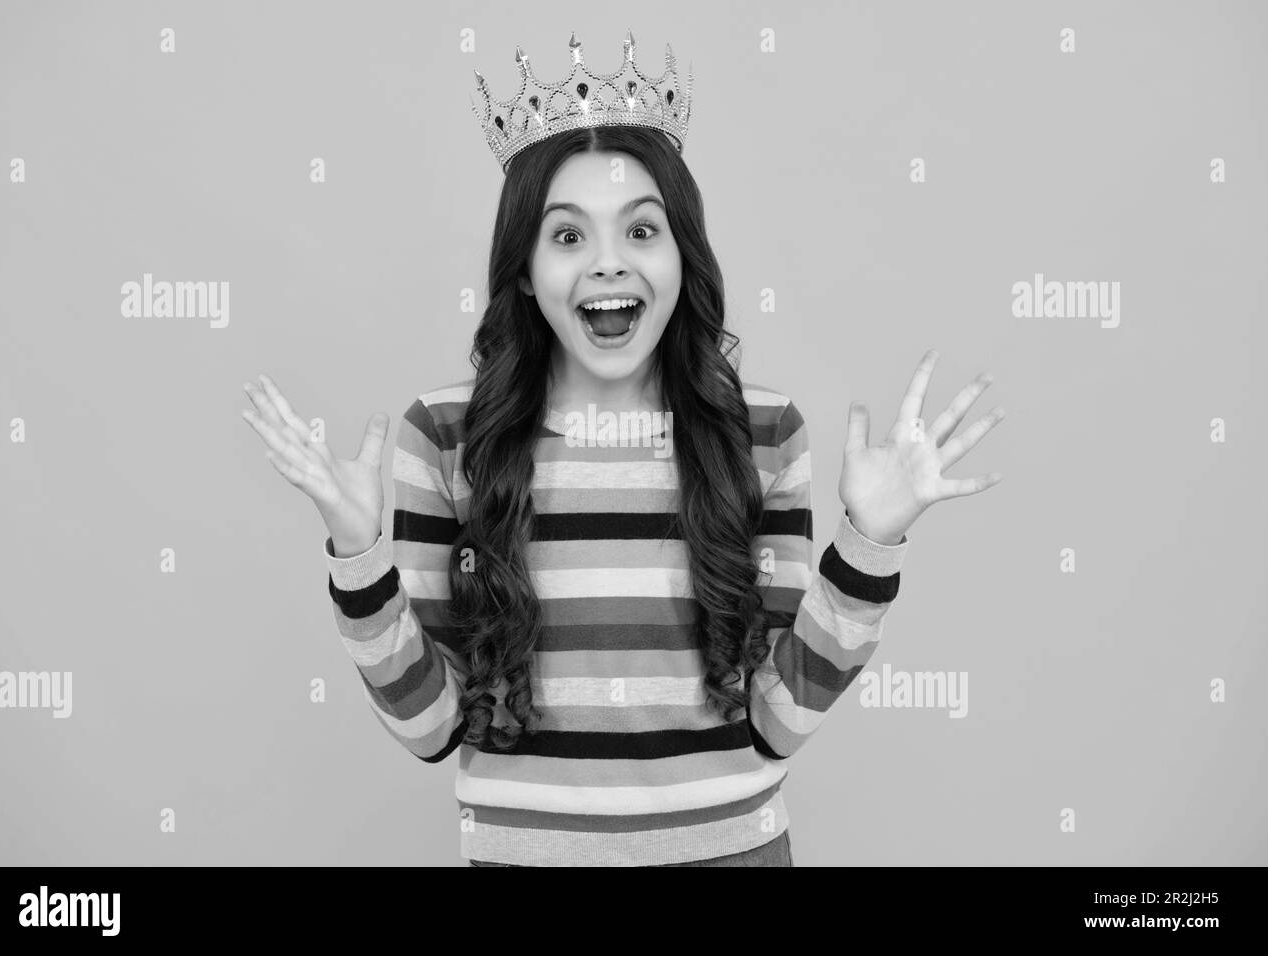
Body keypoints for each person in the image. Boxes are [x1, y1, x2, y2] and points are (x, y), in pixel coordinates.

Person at [240, 32, 1005, 867]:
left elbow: (779, 722)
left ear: (682, 254)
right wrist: (359, 558)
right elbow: (430, 730)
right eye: (567, 237)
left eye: (642, 232)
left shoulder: (763, 432)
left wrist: (871, 542)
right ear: (525, 269)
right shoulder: (447, 435)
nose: (609, 264)